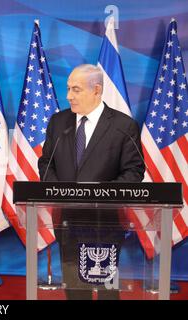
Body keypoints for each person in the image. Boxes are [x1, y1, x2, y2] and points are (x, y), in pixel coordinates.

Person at [38, 64, 145, 300]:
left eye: (76, 90)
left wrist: (100, 195)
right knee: (75, 290)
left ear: (96, 90)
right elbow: (46, 163)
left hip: (105, 222)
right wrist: (60, 192)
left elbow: (134, 171)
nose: (68, 96)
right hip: (66, 219)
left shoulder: (123, 125)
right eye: (68, 89)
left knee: (107, 291)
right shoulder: (58, 122)